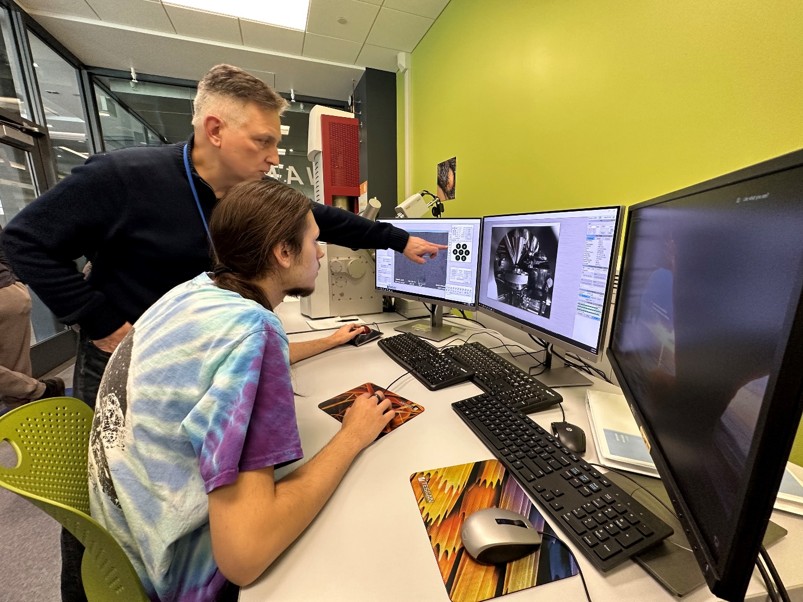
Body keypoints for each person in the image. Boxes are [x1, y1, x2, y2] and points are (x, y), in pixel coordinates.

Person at [1, 63, 444, 601]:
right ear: (215, 131)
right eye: (263, 141)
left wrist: (395, 242)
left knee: (142, 480)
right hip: (123, 351)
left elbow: (321, 217)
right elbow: (23, 240)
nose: (274, 157)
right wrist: (98, 319)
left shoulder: (213, 267)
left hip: (179, 352)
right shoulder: (121, 178)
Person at [88, 178, 395, 601]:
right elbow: (244, 557)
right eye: (314, 242)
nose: (321, 253)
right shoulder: (255, 329)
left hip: (130, 542)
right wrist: (353, 435)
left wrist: (327, 340)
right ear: (283, 253)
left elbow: (212, 365)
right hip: (175, 574)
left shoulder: (198, 290)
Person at [0, 225, 65, 415]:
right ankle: (40, 391)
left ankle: (39, 432)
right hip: (9, 294)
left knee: (15, 376)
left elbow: (9, 246)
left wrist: (15, 282)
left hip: (5, 295)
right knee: (14, 372)